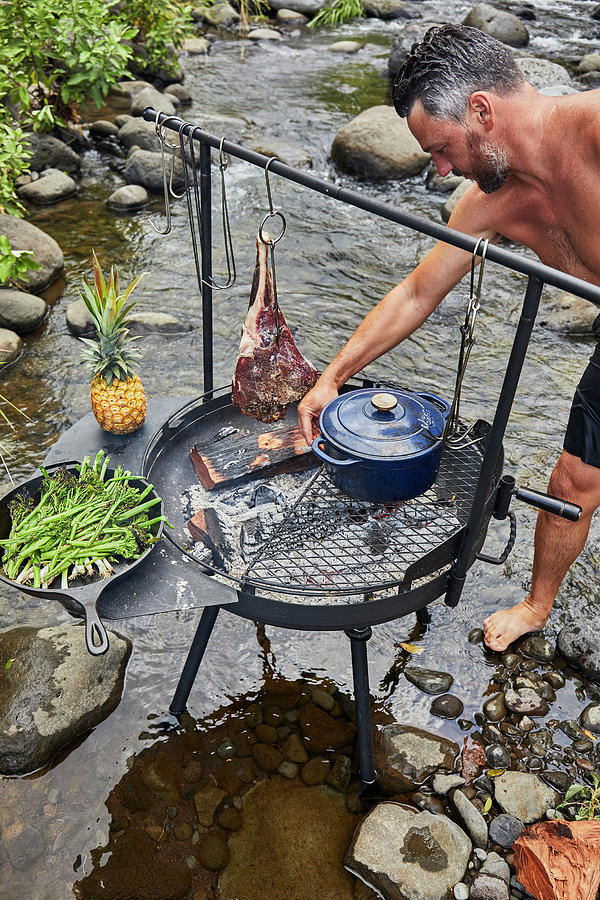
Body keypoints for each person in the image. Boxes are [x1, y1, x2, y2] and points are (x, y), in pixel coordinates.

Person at [297, 24, 600, 653]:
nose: (439, 169)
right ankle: (538, 605)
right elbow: (417, 292)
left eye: (441, 148)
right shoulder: (489, 205)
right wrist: (333, 376)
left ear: (481, 111)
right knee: (574, 480)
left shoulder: (594, 129)